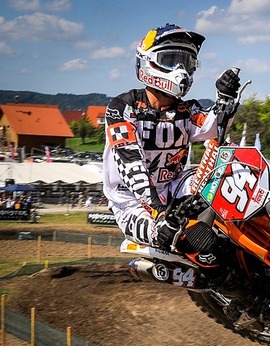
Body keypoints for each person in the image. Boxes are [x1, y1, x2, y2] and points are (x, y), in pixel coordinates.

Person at [102, 24, 240, 260]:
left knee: (232, 173)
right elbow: (130, 163)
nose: (181, 70)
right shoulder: (123, 108)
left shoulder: (187, 110)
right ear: (148, 61)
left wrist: (225, 100)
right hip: (130, 202)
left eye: (186, 62)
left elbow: (215, 128)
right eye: (171, 60)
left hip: (174, 188)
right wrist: (157, 210)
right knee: (166, 234)